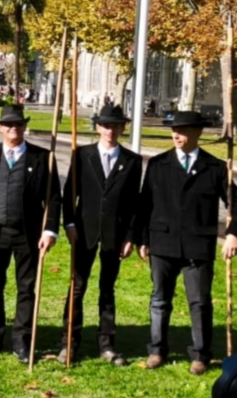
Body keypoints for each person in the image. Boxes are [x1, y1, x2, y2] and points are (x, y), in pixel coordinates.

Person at [135, 110, 237, 376]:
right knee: (160, 300)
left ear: (198, 133)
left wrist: (233, 233)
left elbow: (236, 202)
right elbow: (144, 205)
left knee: (200, 302)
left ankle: (200, 354)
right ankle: (157, 350)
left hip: (198, 245)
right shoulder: (158, 164)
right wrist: (143, 239)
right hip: (163, 243)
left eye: (183, 130)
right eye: (174, 129)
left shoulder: (216, 168)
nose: (177, 135)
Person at [0, 105, 62, 363]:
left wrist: (50, 230)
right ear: (0, 127)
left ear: (24, 127)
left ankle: (21, 342)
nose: (13, 128)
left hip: (28, 234)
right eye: (8, 124)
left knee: (26, 289)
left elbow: (55, 197)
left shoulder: (43, 157)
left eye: (18, 124)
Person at [58, 105, 142, 366]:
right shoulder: (82, 155)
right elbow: (70, 194)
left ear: (122, 128)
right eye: (106, 125)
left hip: (114, 235)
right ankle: (69, 343)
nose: (110, 130)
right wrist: (69, 223)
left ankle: (106, 344)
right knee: (77, 287)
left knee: (107, 289)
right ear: (97, 127)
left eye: (116, 126)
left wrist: (130, 236)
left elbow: (134, 204)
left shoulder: (132, 160)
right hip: (84, 232)